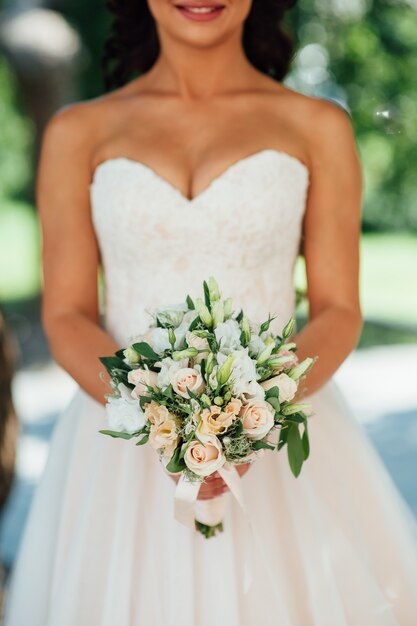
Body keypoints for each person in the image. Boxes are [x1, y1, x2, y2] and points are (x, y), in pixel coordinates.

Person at [4, 1, 417, 624]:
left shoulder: (317, 126)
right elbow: (65, 314)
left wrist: (250, 421)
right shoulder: (78, 132)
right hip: (113, 444)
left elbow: (337, 309)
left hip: (282, 437)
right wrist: (163, 422)